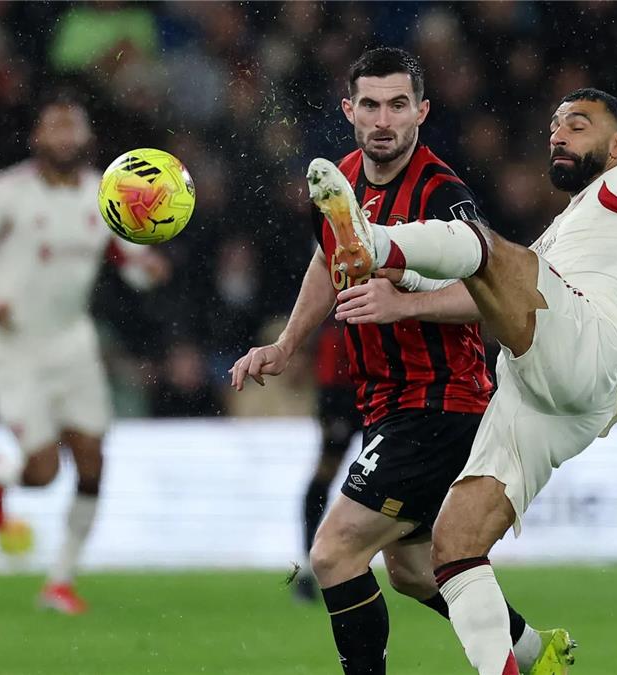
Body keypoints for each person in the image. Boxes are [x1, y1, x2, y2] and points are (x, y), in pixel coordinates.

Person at [306, 87, 617, 675]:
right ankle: (517, 664)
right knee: (451, 547)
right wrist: (409, 290)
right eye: (554, 125)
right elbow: (487, 289)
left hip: (590, 346)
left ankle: (371, 239)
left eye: (578, 125)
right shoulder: (561, 230)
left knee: (485, 247)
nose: (559, 134)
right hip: (542, 394)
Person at [230, 47, 545, 675]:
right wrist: (287, 343)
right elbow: (329, 257)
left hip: (442, 402)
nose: (383, 119)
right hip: (385, 403)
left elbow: (496, 293)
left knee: (333, 553)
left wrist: (402, 304)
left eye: (397, 105)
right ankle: (534, 652)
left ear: (421, 112)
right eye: (370, 105)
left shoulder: (441, 191)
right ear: (349, 111)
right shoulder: (342, 179)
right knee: (412, 570)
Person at [0, 92, 168, 614]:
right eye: (54, 128)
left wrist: (146, 271)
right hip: (14, 346)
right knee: (42, 472)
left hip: (73, 342)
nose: (64, 137)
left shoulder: (104, 196)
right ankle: (0, 475)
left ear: (86, 139)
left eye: (72, 128)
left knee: (92, 460)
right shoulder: (3, 193)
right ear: (37, 138)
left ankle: (59, 580)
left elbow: (130, 260)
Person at [294, 320, 362, 603]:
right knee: (328, 476)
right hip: (345, 398)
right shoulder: (338, 328)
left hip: (377, 395)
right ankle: (311, 562)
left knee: (335, 478)